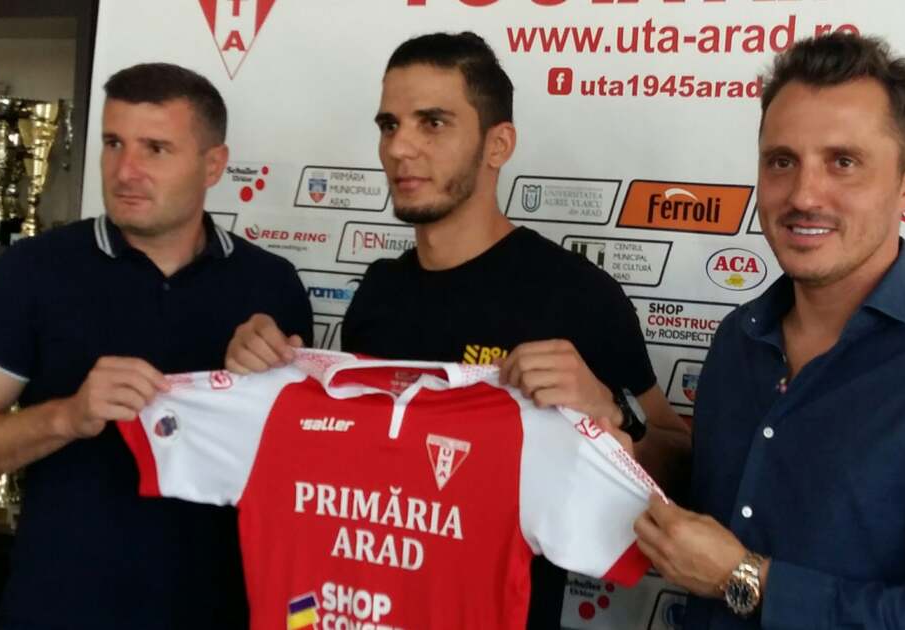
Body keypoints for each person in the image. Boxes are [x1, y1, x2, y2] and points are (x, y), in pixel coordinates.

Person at [224, 32, 690, 629]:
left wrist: (613, 414)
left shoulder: (576, 294)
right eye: (389, 125)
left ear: (498, 144)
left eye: (433, 123)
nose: (400, 148)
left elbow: (680, 468)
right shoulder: (379, 291)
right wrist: (264, 381)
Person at [632, 33, 905, 629]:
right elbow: (714, 513)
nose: (804, 195)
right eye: (782, 161)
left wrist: (744, 578)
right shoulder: (738, 338)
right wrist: (612, 431)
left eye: (844, 162)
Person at [0, 63, 313, 630]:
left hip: (221, 611)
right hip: (61, 611)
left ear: (213, 165)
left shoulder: (271, 286)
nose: (126, 171)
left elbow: (300, 475)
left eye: (155, 148)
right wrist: (68, 416)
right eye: (113, 144)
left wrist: (271, 381)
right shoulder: (35, 270)